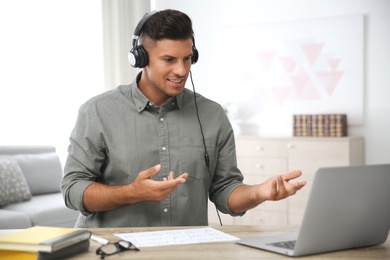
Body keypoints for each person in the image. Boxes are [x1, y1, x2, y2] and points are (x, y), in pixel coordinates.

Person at [61, 9, 306, 228]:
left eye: (187, 58)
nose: (181, 70)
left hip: (186, 251)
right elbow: (72, 190)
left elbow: (224, 190)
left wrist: (259, 193)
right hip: (114, 251)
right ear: (140, 59)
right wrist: (132, 192)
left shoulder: (212, 115)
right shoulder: (98, 111)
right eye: (169, 59)